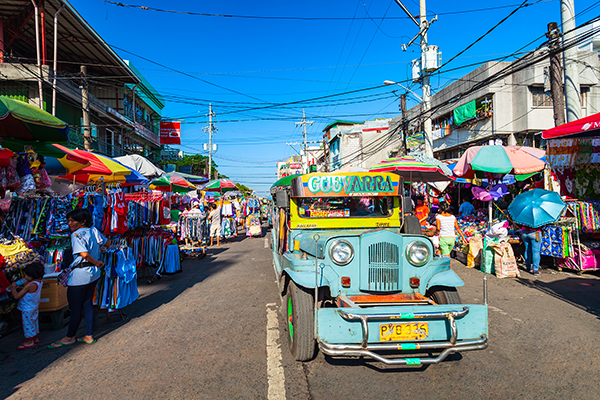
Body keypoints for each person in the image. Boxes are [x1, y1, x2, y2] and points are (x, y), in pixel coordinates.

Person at [49, 209, 105, 348]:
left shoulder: (76, 235)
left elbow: (84, 254)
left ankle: (70, 337)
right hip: (93, 273)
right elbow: (106, 243)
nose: (69, 223)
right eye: (69, 220)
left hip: (81, 274)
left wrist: (95, 261)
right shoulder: (93, 230)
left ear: (82, 221)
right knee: (87, 304)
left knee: (75, 308)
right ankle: (88, 335)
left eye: (72, 220)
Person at [10, 262, 45, 349]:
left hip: (27, 308)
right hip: (34, 307)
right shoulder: (39, 282)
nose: (25, 277)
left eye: (26, 275)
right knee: (34, 323)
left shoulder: (30, 285)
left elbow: (16, 296)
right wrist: (21, 288)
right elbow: (30, 292)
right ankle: (35, 338)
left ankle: (30, 341)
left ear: (31, 275)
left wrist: (13, 288)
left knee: (28, 324)